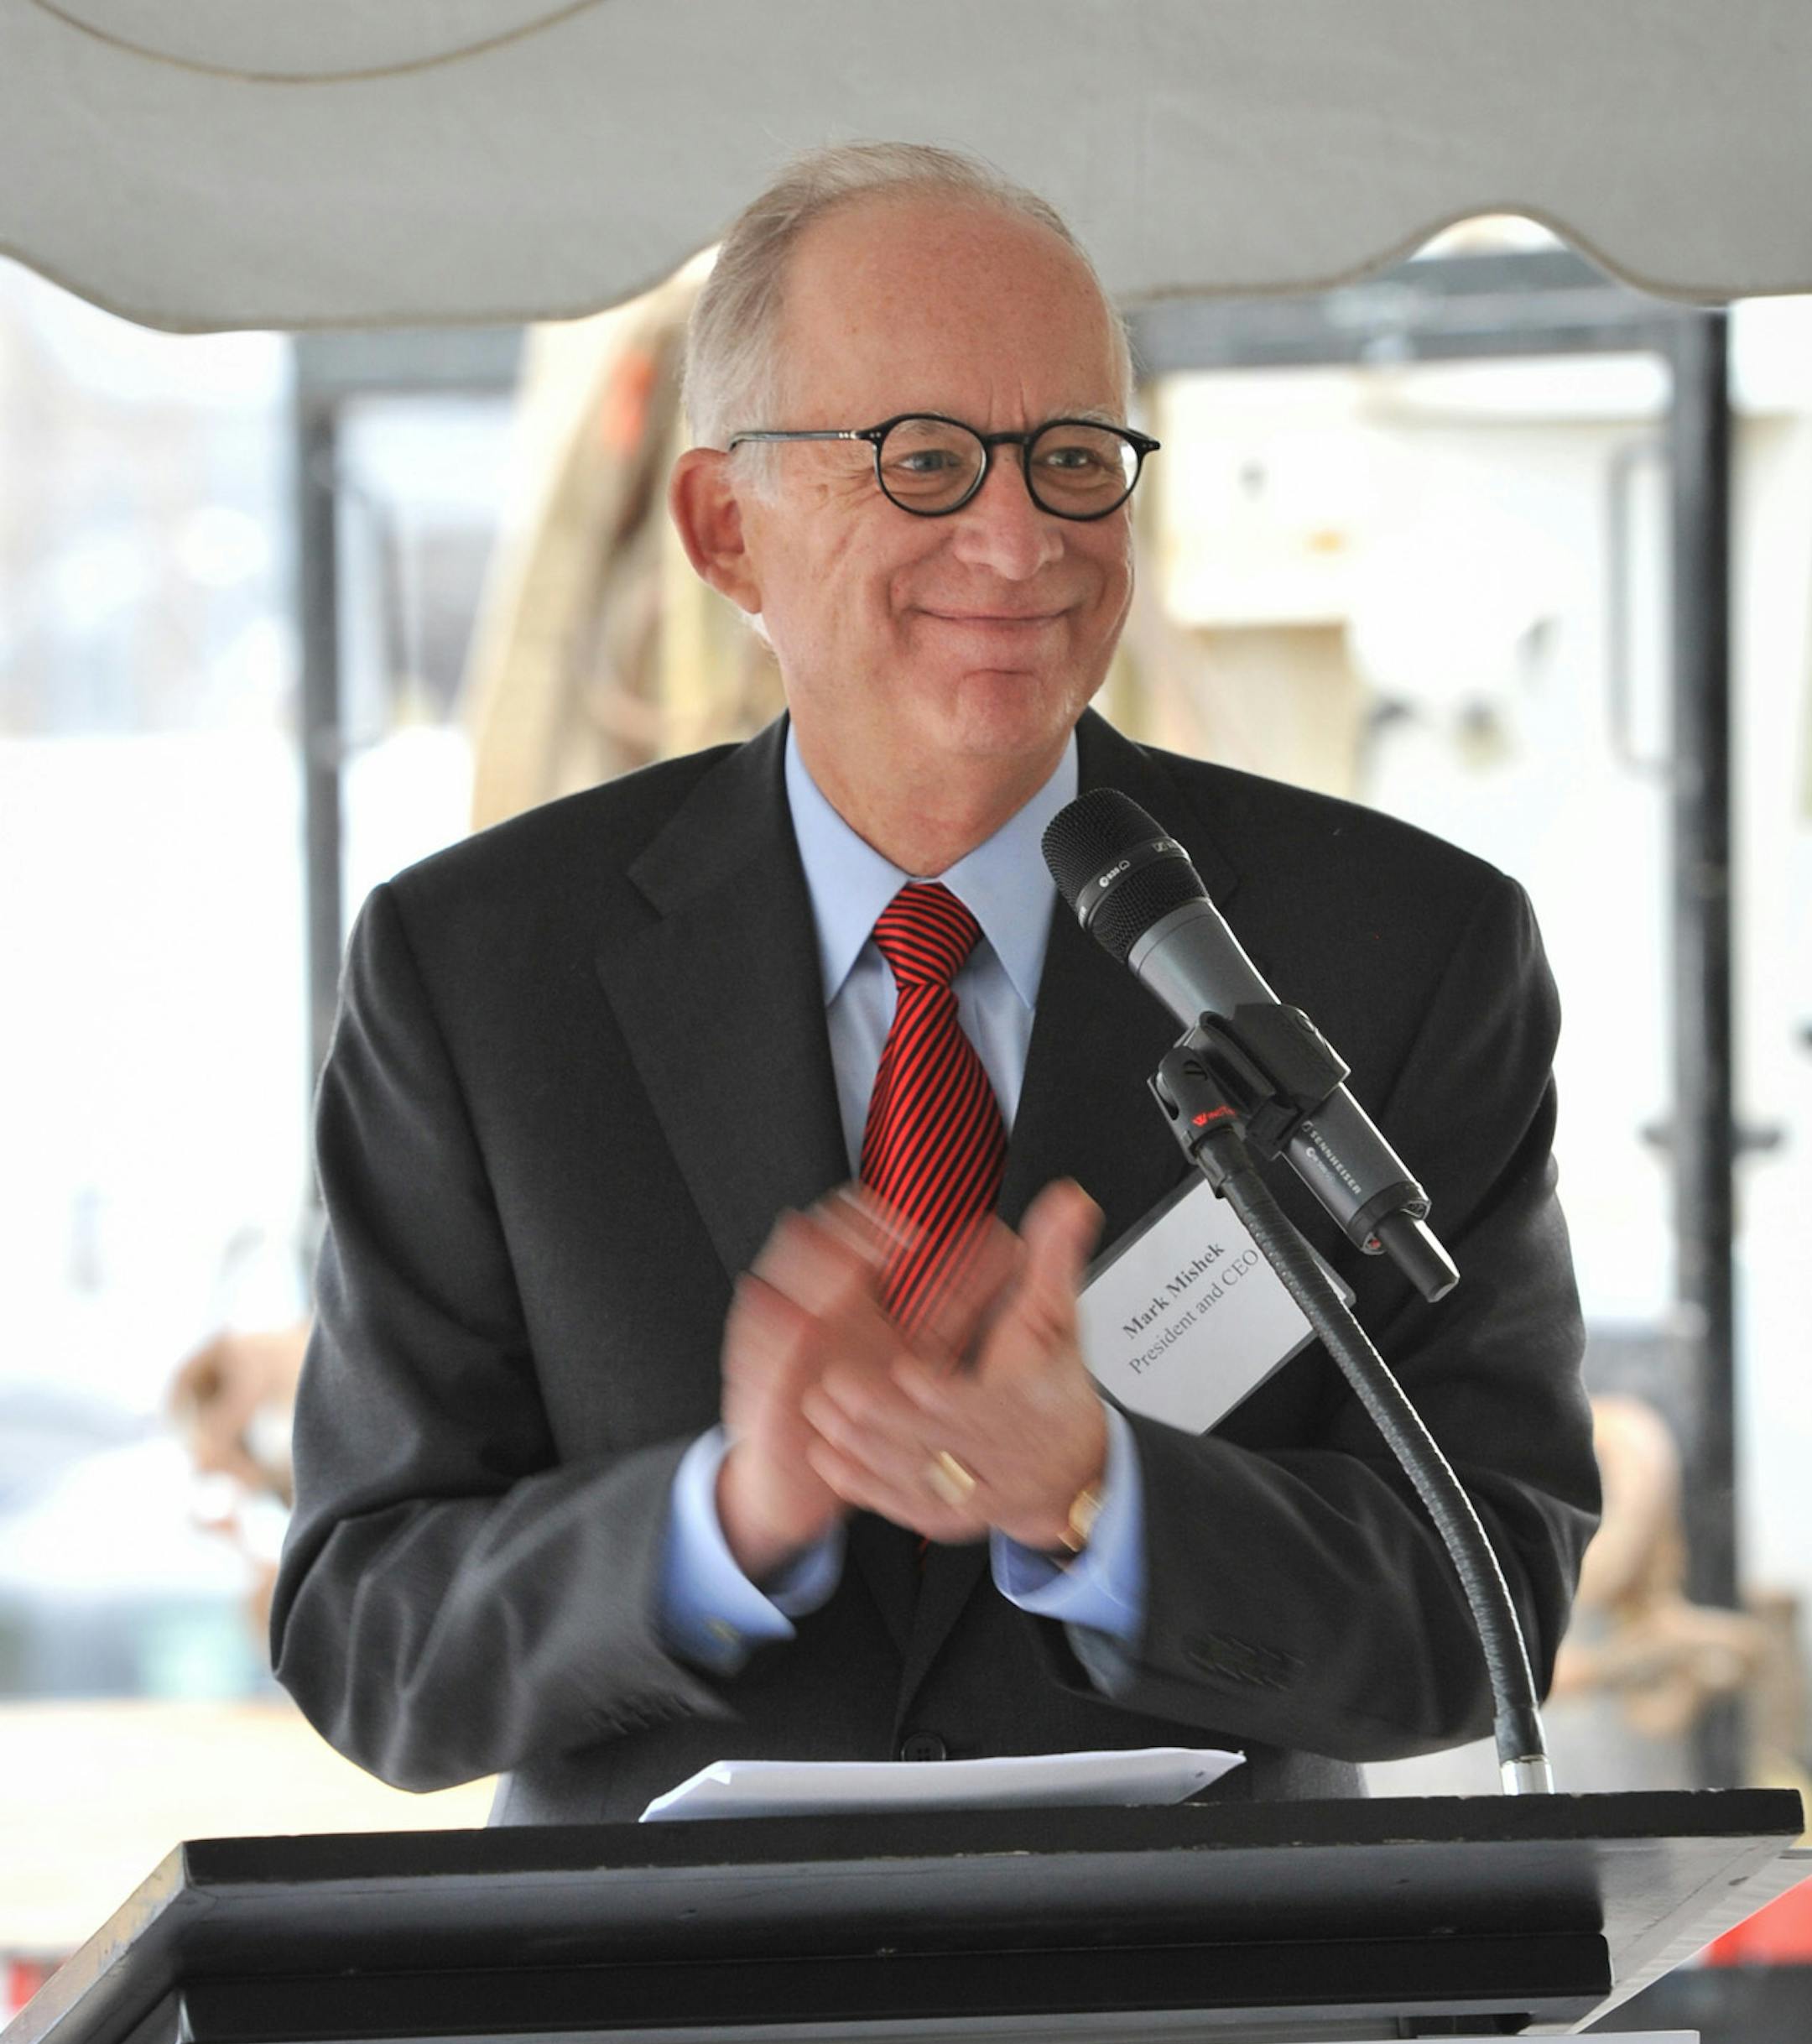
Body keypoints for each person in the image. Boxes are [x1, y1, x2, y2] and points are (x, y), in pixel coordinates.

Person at [271, 143, 1597, 1822]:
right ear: (725, 529)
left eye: (1072, 458)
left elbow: (1494, 1596)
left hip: (1208, 1982)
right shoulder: (476, 973)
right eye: (922, 460)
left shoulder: (1396, 952)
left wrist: (1100, 1497)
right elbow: (369, 1636)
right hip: (668, 1986)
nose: (1019, 538)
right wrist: (725, 1518)